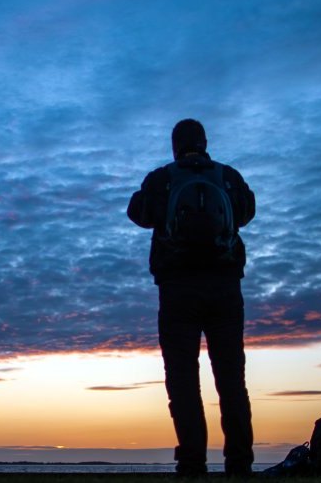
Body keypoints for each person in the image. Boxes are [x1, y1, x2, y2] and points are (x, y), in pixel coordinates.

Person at [127, 119, 257, 477]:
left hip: (177, 289)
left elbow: (138, 214)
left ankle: (191, 463)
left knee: (182, 379)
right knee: (232, 380)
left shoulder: (162, 178)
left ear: (175, 145)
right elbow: (247, 212)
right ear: (204, 142)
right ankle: (240, 464)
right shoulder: (228, 176)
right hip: (225, 288)